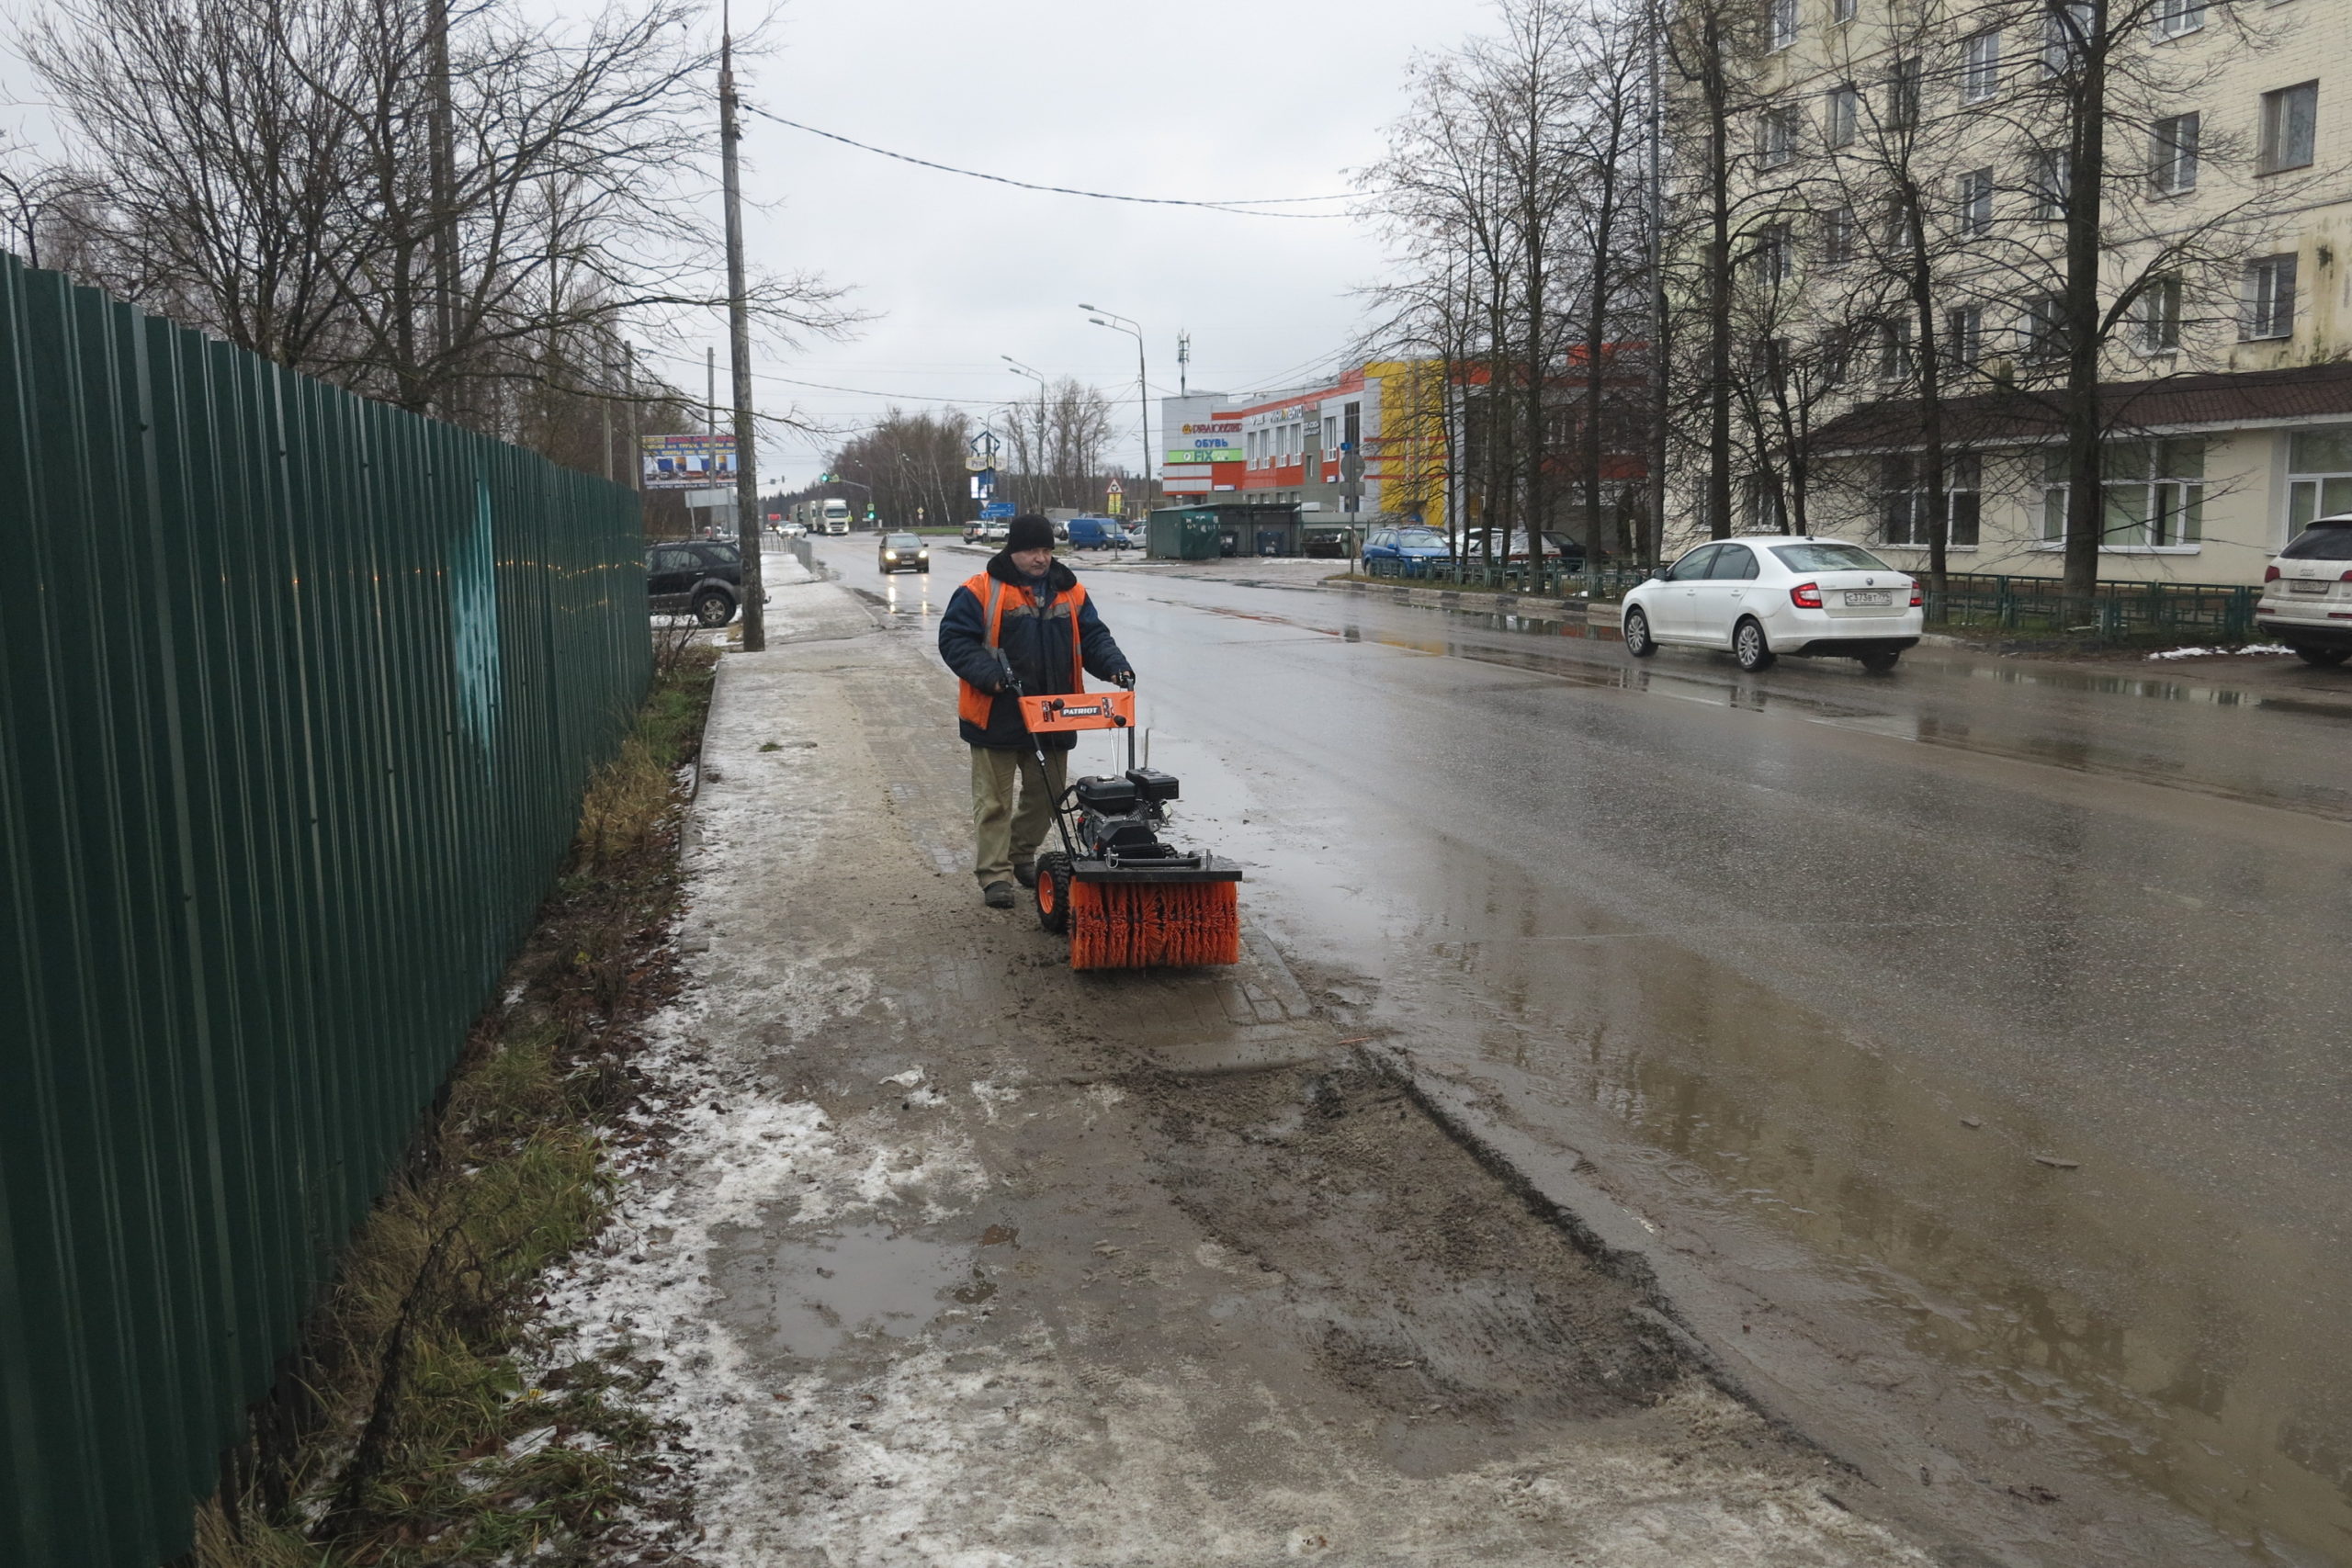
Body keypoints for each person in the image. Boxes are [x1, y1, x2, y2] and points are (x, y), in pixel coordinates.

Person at [938, 514, 1135, 908]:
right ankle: (995, 876)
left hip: (1055, 713)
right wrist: (992, 677)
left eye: (1046, 550)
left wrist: (1115, 665)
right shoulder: (979, 590)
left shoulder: (1071, 591)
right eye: (1032, 550)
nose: (1040, 558)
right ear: (1014, 550)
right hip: (997, 714)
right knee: (994, 802)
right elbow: (954, 640)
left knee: (1047, 798)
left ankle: (1022, 855)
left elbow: (1094, 636)